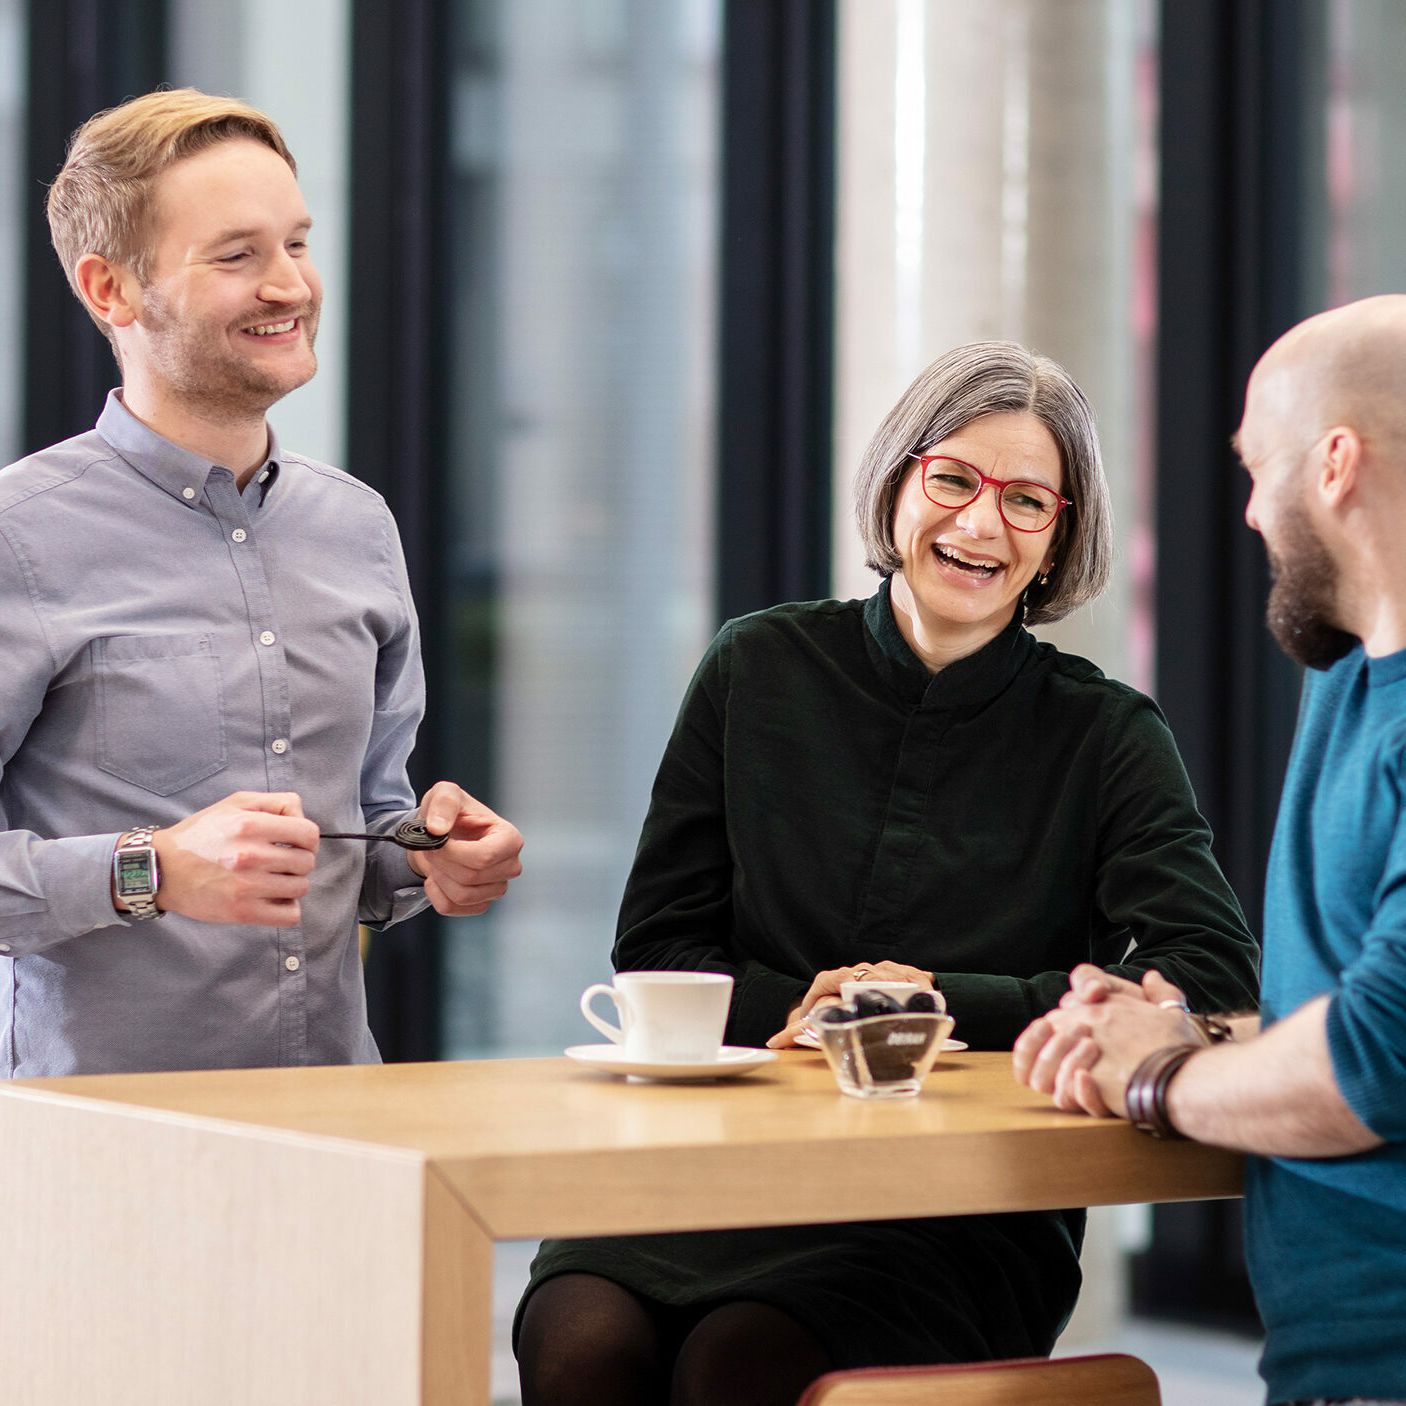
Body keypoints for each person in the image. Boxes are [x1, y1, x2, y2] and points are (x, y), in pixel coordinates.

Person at [514, 341, 1260, 1406]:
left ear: (1058, 539)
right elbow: (658, 949)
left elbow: (1209, 976)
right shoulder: (755, 666)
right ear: (898, 482)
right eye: (952, 479)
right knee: (580, 1340)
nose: (980, 523)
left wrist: (939, 1008)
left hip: (952, 1204)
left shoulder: (1106, 735)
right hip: (712, 1156)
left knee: (740, 1359)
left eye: (1026, 501)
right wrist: (801, 1010)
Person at [0, 89, 522, 1078]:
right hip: (102, 1139)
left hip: (336, 1119)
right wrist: (150, 870)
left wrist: (428, 852)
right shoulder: (18, 536)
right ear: (111, 289)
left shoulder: (356, 526)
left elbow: (363, 829)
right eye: (237, 255)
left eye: (296, 243)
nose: (290, 284)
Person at [1013, 295, 1406, 1406]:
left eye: (1256, 466)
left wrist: (1153, 1075)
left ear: (1333, 464)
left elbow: (1372, 1063)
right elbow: (1345, 1005)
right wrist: (1187, 1033)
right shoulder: (1347, 679)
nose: (1248, 510)